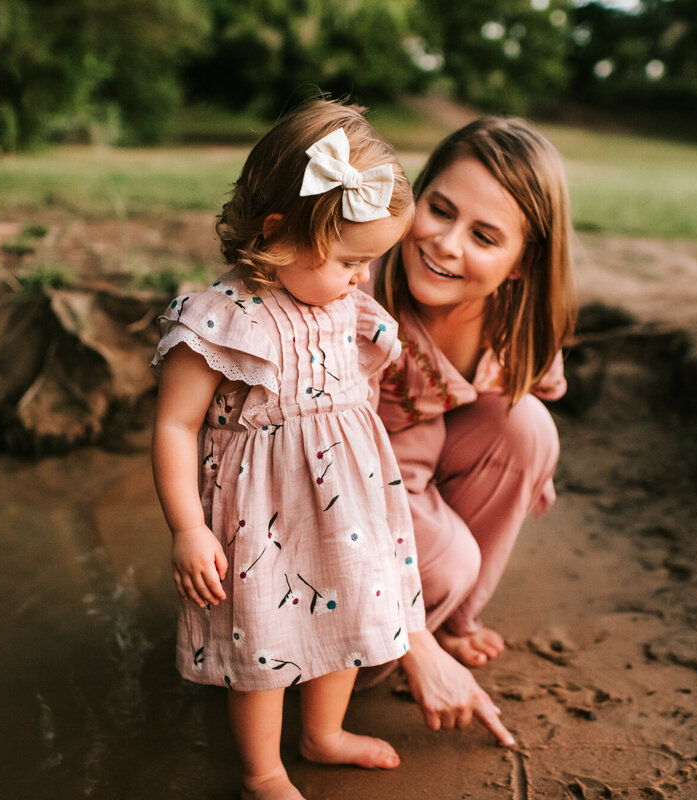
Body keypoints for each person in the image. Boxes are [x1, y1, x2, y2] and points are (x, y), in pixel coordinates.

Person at [151, 99, 425, 800]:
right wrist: (187, 527)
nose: (363, 276)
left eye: (371, 261)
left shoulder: (344, 304)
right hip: (258, 517)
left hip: (345, 508)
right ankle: (262, 773)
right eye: (351, 259)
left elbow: (349, 399)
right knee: (263, 641)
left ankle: (323, 733)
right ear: (275, 235)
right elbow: (176, 427)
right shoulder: (223, 320)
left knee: (350, 609)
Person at [362, 116, 577, 746]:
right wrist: (416, 646)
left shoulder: (515, 319)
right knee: (448, 561)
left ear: (520, 264)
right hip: (340, 489)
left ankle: (452, 615)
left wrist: (530, 469)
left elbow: (526, 404)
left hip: (418, 471)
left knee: (528, 428)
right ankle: (375, 646)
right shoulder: (361, 293)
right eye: (439, 210)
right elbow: (322, 472)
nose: (447, 244)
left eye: (484, 236)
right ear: (415, 196)